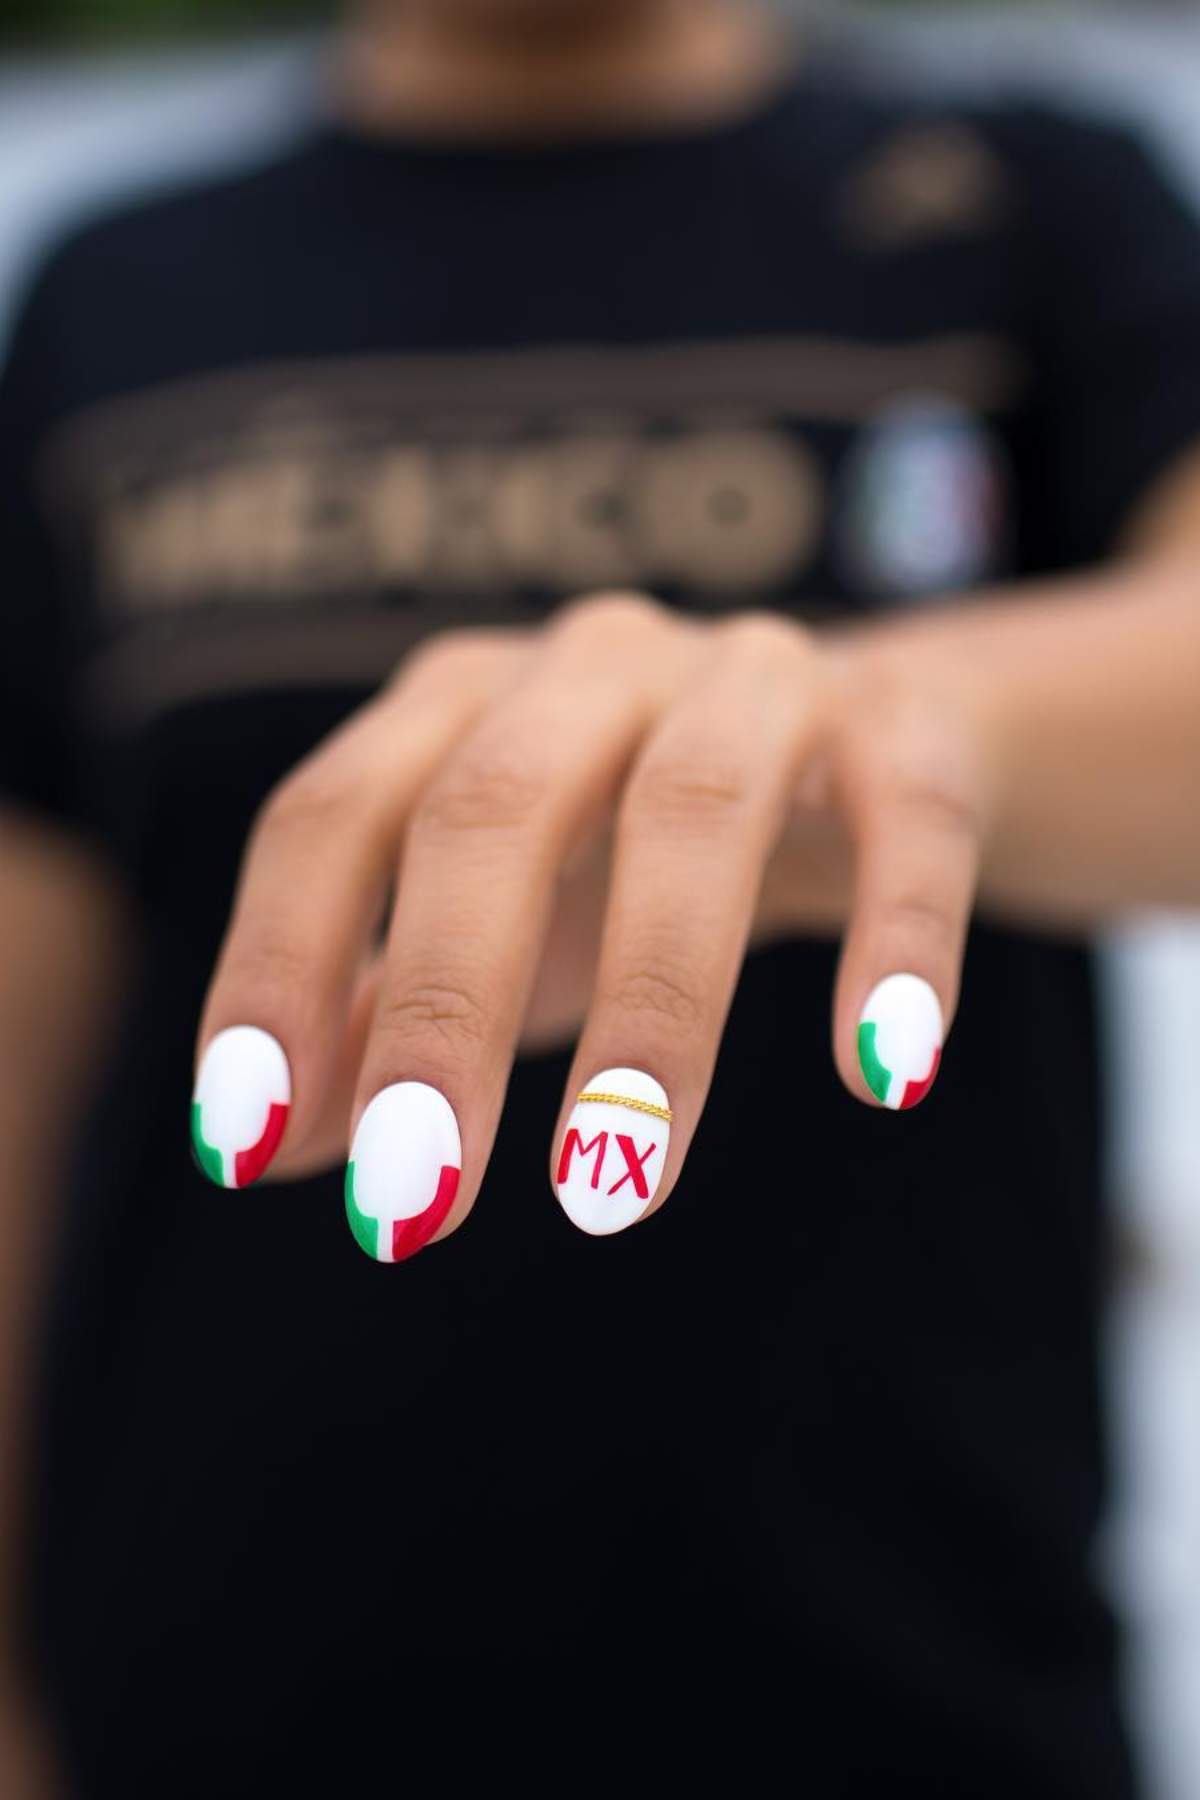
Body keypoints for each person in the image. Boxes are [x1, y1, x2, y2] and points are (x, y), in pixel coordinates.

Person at [2, 0, 1200, 1791]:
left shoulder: (1027, 199)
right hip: (221, 1683)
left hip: (909, 1688)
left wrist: (892, 723)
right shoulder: (120, 290)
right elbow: (26, 1049)